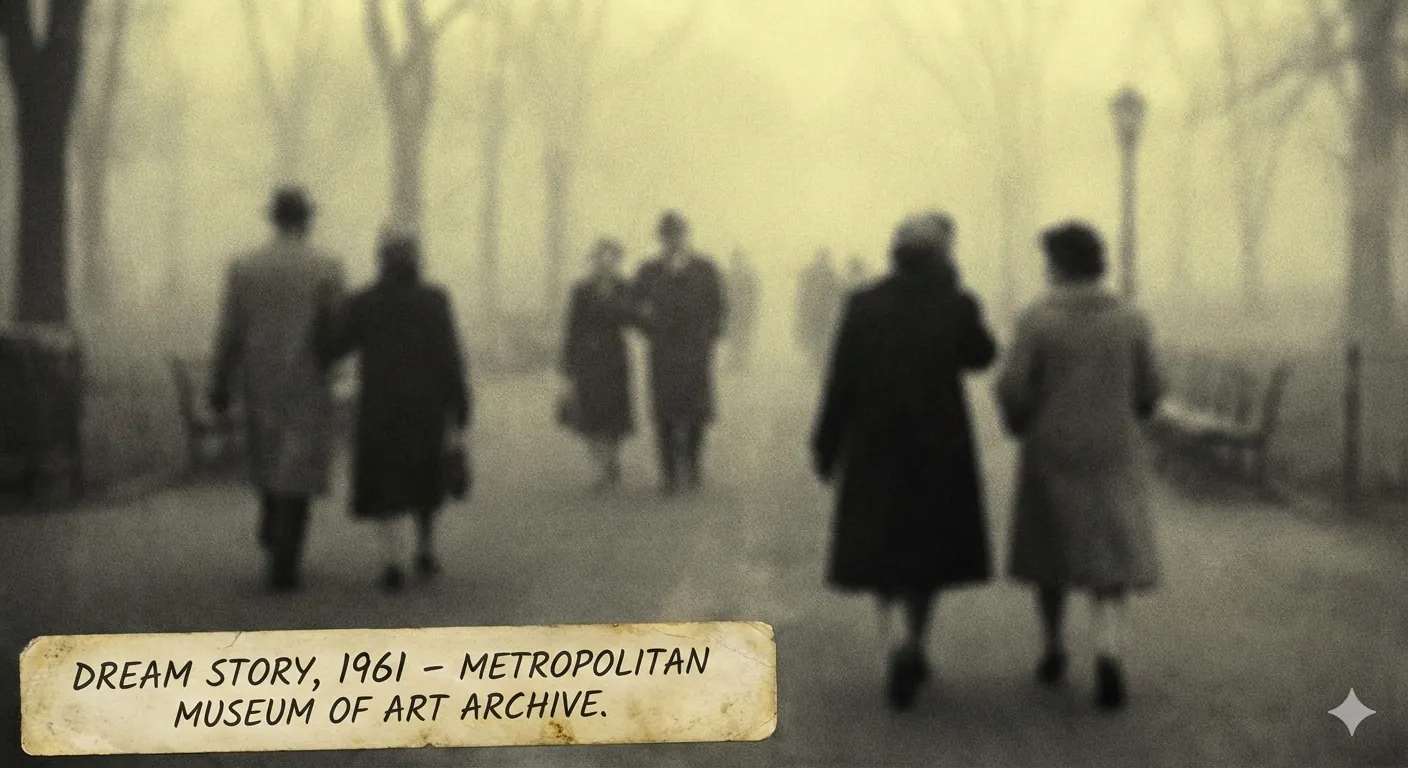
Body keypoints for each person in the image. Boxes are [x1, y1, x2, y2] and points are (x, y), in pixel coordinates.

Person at [810, 211, 997, 711]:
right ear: (942, 257)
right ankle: (917, 640)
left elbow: (840, 380)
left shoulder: (863, 305)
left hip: (876, 446)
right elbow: (982, 356)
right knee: (928, 555)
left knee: (884, 549)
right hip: (940, 448)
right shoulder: (954, 304)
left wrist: (826, 445)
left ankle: (893, 640)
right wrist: (959, 294)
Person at [995, 221, 1162, 711]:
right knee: (1109, 553)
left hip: (1052, 449)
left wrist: (1020, 422)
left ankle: (1052, 648)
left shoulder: (1037, 320)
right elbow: (1150, 388)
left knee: (1051, 552)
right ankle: (1108, 650)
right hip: (1114, 450)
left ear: (1060, 265)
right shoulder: (1130, 318)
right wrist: (1135, 415)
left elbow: (1012, 387)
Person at [210, 187, 345, 593]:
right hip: (307, 378)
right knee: (300, 465)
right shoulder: (327, 267)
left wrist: (220, 380)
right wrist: (331, 362)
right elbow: (336, 327)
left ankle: (272, 518)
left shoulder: (245, 267)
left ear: (273, 219)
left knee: (268, 454)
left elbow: (230, 328)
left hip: (259, 377)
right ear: (307, 219)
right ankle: (290, 548)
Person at [321, 231, 471, 592]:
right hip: (426, 405)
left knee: (386, 481)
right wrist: (460, 404)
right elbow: (450, 356)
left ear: (380, 260)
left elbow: (334, 348)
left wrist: (326, 312)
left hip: (381, 406)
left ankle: (391, 560)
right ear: (416, 260)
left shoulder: (364, 302)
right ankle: (424, 548)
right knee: (425, 477)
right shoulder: (434, 300)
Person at [633, 211, 727, 495]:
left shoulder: (705, 269)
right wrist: (651, 329)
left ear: (687, 236)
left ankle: (693, 463)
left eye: (678, 235)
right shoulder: (649, 271)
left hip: (696, 352)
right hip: (662, 353)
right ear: (660, 239)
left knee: (696, 412)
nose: (673, 241)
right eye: (667, 236)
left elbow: (719, 307)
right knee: (664, 414)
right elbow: (635, 306)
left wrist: (708, 337)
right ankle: (669, 473)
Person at [559, 237, 636, 491]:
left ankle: (611, 456)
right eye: (600, 259)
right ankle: (600, 469)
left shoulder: (625, 288)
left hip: (614, 357)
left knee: (615, 415)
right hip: (587, 357)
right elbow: (572, 327)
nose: (605, 265)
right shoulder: (581, 290)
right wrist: (567, 365)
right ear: (593, 261)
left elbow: (633, 318)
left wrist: (618, 302)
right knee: (590, 415)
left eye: (611, 259)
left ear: (617, 262)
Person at [795, 249, 841, 369]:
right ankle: (815, 359)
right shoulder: (813, 273)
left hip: (822, 311)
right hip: (815, 311)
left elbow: (835, 293)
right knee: (814, 336)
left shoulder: (829, 275)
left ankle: (816, 360)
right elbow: (803, 293)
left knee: (818, 336)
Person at [725, 249, 761, 371]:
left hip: (745, 312)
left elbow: (754, 294)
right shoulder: (729, 276)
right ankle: (735, 360)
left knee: (743, 337)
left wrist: (751, 309)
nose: (736, 262)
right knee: (734, 337)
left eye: (738, 259)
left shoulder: (748, 276)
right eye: (735, 259)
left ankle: (742, 361)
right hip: (732, 312)